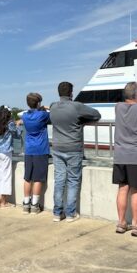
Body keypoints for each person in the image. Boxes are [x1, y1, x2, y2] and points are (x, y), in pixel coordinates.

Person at [50, 82, 101, 222]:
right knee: (73, 180)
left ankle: (57, 213)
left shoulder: (53, 107)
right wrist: (81, 121)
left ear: (59, 92)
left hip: (57, 148)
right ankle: (70, 214)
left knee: (59, 180)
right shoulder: (76, 106)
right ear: (71, 93)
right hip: (73, 148)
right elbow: (97, 115)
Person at [113, 82, 137, 236]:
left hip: (120, 155)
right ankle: (136, 225)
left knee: (122, 188)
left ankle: (121, 223)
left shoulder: (118, 107)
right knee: (136, 190)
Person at [21, 93, 50, 214]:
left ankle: (26, 204)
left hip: (29, 149)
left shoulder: (24, 116)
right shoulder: (43, 115)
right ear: (38, 103)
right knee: (38, 178)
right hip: (41, 149)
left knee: (28, 178)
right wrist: (47, 108)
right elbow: (51, 117)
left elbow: (32, 114)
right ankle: (35, 205)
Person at [0, 106, 22, 208]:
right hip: (5, 152)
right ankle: (4, 202)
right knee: (5, 176)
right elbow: (17, 135)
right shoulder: (10, 123)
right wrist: (18, 125)